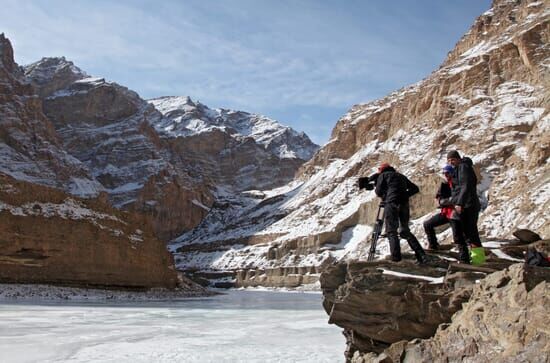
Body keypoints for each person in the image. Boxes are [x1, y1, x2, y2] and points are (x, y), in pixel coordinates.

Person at [375, 163, 428, 264]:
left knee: (391, 231)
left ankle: (396, 259)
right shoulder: (401, 176)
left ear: (382, 170)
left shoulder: (383, 176)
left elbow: (378, 192)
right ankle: (421, 255)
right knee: (405, 230)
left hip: (391, 203)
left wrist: (386, 194)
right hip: (404, 204)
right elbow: (415, 188)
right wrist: (404, 195)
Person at [422, 165, 471, 263]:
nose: (446, 175)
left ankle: (464, 259)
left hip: (455, 213)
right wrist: (442, 201)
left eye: (447, 173)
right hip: (446, 213)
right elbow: (438, 198)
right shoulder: (444, 184)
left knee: (458, 237)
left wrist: (443, 202)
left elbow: (455, 199)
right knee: (427, 224)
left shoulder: (457, 184)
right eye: (444, 173)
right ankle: (433, 245)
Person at [446, 150, 484, 264]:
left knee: (471, 233)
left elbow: (465, 185)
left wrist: (460, 203)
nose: (451, 162)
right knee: (469, 233)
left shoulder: (463, 167)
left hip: (468, 205)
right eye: (448, 160)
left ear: (458, 158)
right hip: (468, 204)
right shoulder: (461, 167)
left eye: (452, 159)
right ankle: (477, 259)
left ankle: (479, 261)